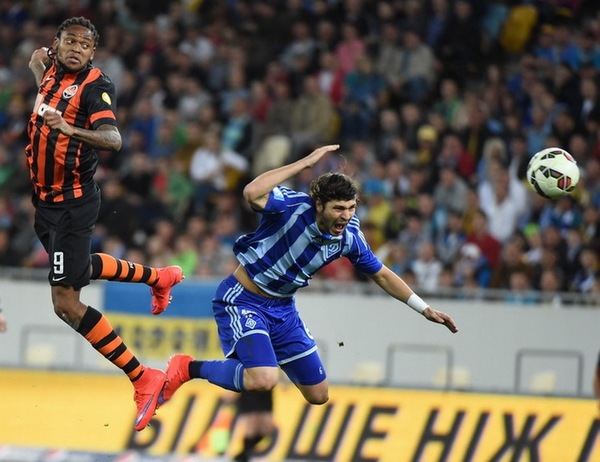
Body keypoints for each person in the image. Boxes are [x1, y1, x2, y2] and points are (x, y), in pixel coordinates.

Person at [157, 144, 457, 411]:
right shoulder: (291, 206)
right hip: (244, 299)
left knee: (318, 394)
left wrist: (424, 308)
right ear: (319, 205)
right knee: (264, 379)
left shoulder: (350, 237)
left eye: (351, 208)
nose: (346, 216)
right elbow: (251, 192)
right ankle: (187, 368)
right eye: (338, 208)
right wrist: (303, 164)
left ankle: (252, 359)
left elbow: (382, 275)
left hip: (283, 310)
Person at [26, 17, 183, 431]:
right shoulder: (50, 70)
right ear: (57, 43)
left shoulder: (96, 87)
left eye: (85, 44)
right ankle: (159, 277)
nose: (76, 48)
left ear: (93, 52)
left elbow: (113, 140)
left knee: (66, 303)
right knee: (77, 267)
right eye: (70, 41)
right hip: (44, 202)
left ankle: (142, 376)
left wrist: (68, 127)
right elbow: (44, 83)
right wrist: (39, 71)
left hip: (72, 204)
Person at [232, 390, 275, 462]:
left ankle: (246, 452)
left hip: (265, 390)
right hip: (249, 390)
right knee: (251, 425)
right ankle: (245, 453)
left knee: (266, 428)